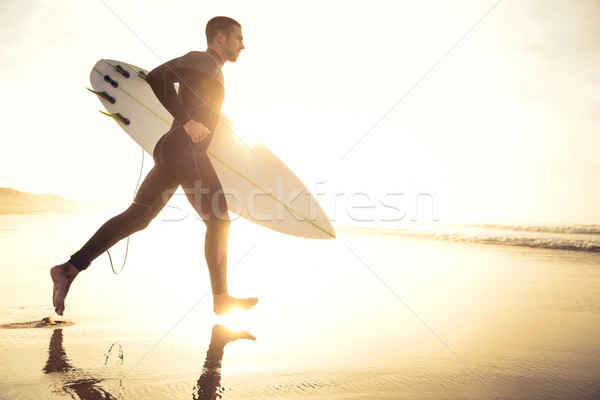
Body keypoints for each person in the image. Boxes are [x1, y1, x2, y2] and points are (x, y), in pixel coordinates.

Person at [50, 16, 257, 317]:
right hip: (183, 149)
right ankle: (221, 297)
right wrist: (187, 122)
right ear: (221, 38)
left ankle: (69, 269)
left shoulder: (211, 70)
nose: (243, 45)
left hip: (173, 150)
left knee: (137, 218)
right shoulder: (203, 60)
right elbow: (159, 76)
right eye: (239, 38)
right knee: (219, 218)